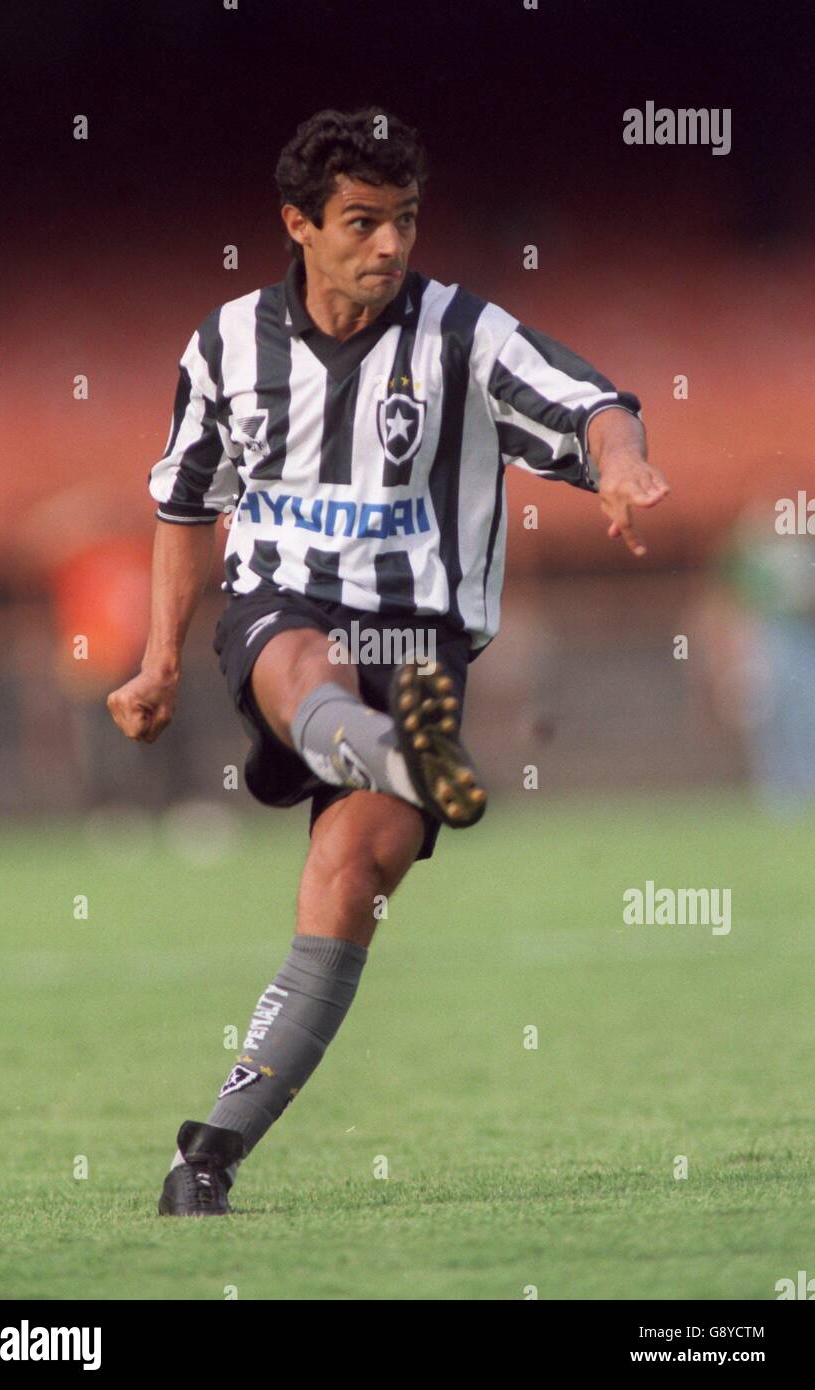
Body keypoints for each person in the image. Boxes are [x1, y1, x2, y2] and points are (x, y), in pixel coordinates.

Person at [107, 107, 670, 1215]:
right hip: (283, 612)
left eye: (404, 221)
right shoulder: (225, 344)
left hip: (420, 642)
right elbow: (184, 505)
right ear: (298, 225)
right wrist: (156, 663)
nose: (389, 246)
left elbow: (597, 402)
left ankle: (207, 1155)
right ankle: (402, 760)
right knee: (303, 654)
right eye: (361, 222)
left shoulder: (464, 333)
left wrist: (623, 467)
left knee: (351, 879)